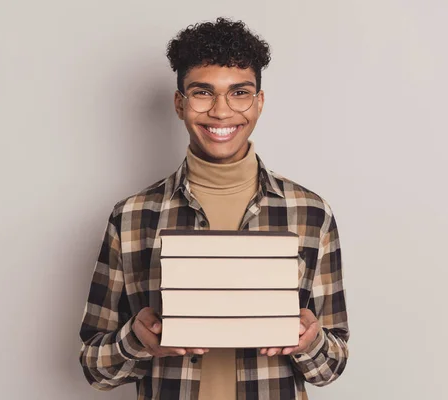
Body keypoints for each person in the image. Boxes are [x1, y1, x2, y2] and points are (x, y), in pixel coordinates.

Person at [78, 17, 349, 400]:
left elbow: (332, 366)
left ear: (259, 102)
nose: (221, 112)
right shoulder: (132, 216)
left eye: (239, 93)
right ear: (180, 103)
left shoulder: (311, 213)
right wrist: (136, 341)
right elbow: (94, 366)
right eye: (203, 93)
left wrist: (310, 340)